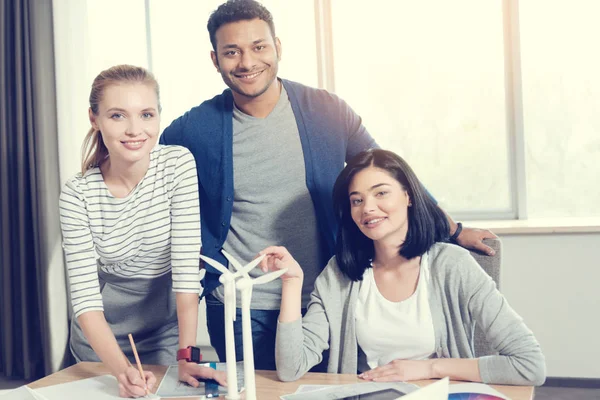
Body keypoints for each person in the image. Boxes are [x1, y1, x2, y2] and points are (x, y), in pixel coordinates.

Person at [159, 0, 497, 371]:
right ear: (215, 59)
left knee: (330, 393)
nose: (246, 61)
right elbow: (143, 168)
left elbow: (393, 175)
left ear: (278, 48)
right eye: (231, 52)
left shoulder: (327, 111)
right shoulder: (192, 130)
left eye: (259, 47)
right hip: (240, 307)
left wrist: (455, 230)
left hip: (326, 298)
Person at [262, 149, 546, 386]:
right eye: (357, 200)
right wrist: (291, 281)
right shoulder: (340, 273)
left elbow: (529, 364)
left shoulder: (452, 265)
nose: (368, 208)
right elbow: (291, 368)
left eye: (381, 193)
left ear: (408, 196)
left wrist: (429, 369)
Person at [59, 65, 225, 398]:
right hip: (100, 337)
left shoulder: (177, 165)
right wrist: (122, 371)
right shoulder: (77, 194)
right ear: (94, 118)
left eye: (146, 114)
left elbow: (185, 271)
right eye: (118, 115)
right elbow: (87, 302)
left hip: (164, 329)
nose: (135, 130)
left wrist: (186, 354)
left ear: (158, 116)